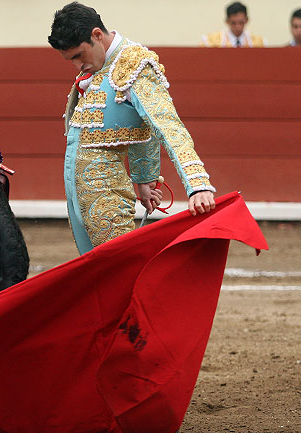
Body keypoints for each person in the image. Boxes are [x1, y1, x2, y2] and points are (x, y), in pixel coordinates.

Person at [48, 2, 216, 254]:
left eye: (78, 56)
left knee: (117, 271)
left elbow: (168, 126)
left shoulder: (134, 64)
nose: (77, 65)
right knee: (95, 273)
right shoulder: (100, 64)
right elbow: (137, 126)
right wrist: (144, 180)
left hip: (107, 195)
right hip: (78, 194)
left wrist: (198, 185)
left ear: (96, 35)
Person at [201, 2, 266, 47]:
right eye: (233, 23)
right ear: (227, 21)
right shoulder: (210, 41)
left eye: (241, 22)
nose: (238, 27)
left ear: (247, 20)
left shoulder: (260, 43)